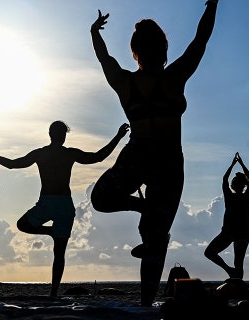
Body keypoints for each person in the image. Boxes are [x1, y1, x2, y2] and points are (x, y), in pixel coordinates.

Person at [89, 0, 219, 306]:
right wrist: (212, 6)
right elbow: (201, 39)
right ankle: (147, 302)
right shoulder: (174, 77)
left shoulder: (125, 83)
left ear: (135, 52)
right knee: (156, 235)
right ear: (163, 50)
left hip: (137, 155)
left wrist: (95, 32)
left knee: (105, 201)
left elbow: (104, 57)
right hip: (169, 160)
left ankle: (142, 212)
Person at [0, 121, 129, 297]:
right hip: (63, 203)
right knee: (58, 252)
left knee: (27, 228)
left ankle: (53, 285)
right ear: (63, 136)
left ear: (50, 134)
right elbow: (98, 157)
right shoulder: (67, 153)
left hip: (49, 202)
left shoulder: (43, 153)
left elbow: (12, 164)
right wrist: (118, 137)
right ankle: (53, 291)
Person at [204, 152, 249, 279]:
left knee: (238, 262)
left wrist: (236, 164)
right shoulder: (232, 196)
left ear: (240, 185)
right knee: (210, 253)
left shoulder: (242, 197)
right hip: (229, 233)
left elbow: (226, 179)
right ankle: (231, 272)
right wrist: (238, 164)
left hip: (239, 233)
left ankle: (236, 280)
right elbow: (226, 179)